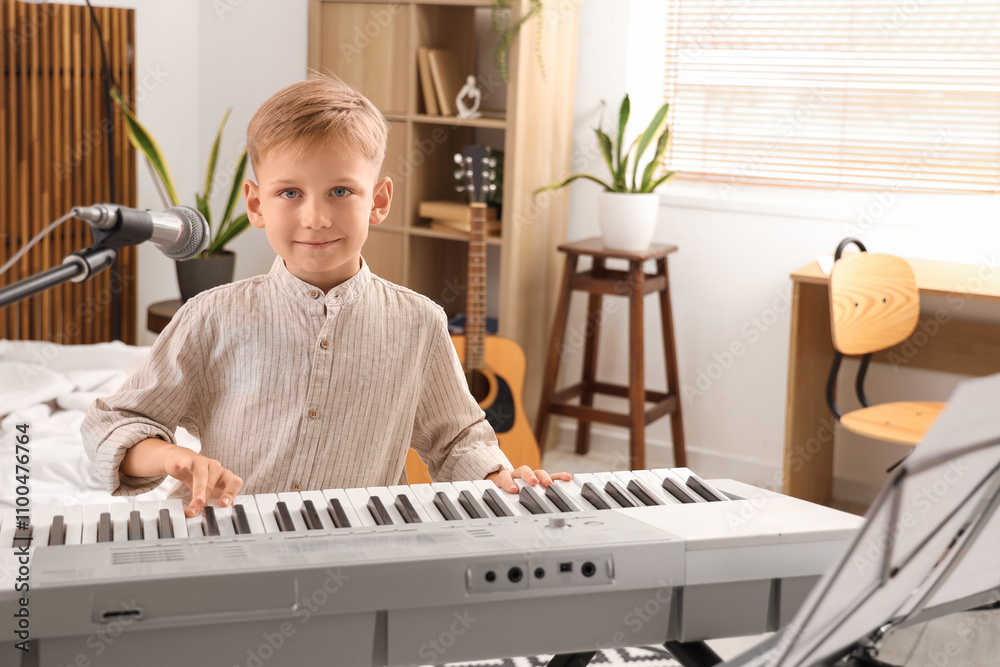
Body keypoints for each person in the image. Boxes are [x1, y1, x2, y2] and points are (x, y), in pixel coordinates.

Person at [82, 75, 569, 518]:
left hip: (358, 551)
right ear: (256, 203)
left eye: (340, 191)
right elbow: (115, 422)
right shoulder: (210, 316)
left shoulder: (420, 322)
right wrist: (173, 457)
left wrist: (499, 478)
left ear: (378, 200)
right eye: (290, 193)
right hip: (225, 545)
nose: (315, 218)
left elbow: (457, 440)